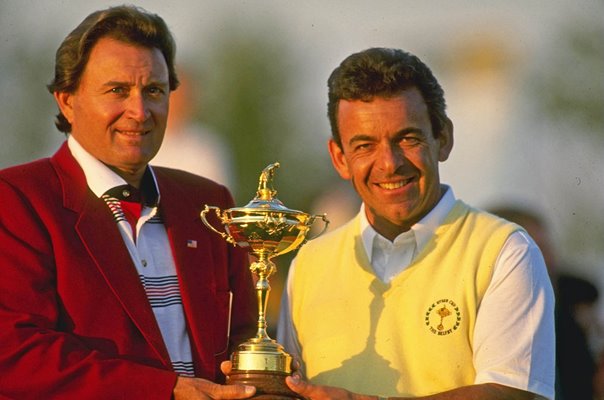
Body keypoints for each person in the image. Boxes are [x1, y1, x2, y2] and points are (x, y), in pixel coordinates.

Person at [0, 6, 257, 399]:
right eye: (117, 90)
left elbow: (246, 336)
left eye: (153, 91)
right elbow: (15, 354)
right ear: (67, 100)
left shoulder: (209, 203)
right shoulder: (17, 199)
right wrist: (165, 389)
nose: (139, 112)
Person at [276, 48, 555, 399]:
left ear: (443, 138)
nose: (389, 164)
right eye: (364, 145)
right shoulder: (309, 265)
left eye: (407, 139)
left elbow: (513, 395)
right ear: (339, 158)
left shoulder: (504, 251)